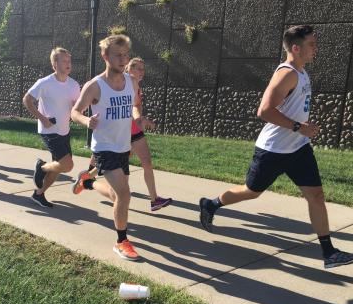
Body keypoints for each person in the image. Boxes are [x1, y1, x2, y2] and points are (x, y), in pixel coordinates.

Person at [198, 25, 353, 269]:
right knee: (252, 191)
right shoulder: (287, 73)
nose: (316, 48)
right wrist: (299, 127)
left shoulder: (301, 72)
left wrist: (301, 130)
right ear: (295, 47)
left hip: (298, 148)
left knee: (316, 196)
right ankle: (211, 203)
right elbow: (264, 110)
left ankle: (329, 253)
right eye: (312, 44)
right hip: (273, 150)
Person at [71, 35, 142, 261]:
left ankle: (88, 182)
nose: (122, 60)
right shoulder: (95, 86)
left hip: (122, 147)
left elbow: (133, 108)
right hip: (104, 148)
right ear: (105, 56)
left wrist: (139, 121)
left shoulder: (132, 82)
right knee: (124, 193)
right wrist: (86, 121)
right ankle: (121, 241)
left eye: (125, 55)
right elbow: (75, 112)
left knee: (115, 195)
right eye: (117, 55)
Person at [72, 57, 172, 212]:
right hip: (116, 136)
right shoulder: (111, 85)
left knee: (147, 163)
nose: (140, 71)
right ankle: (88, 179)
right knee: (114, 177)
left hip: (134, 132)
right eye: (136, 67)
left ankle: (154, 199)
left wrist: (139, 119)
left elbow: (136, 105)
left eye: (142, 68)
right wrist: (87, 120)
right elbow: (78, 111)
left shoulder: (135, 86)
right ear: (127, 69)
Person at [23, 47, 80, 207]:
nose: (68, 64)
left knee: (58, 167)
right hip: (49, 129)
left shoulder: (74, 85)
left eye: (69, 61)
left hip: (64, 130)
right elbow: (27, 100)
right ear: (55, 64)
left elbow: (76, 107)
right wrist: (42, 118)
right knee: (67, 165)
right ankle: (42, 167)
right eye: (64, 61)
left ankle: (38, 194)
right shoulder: (45, 82)